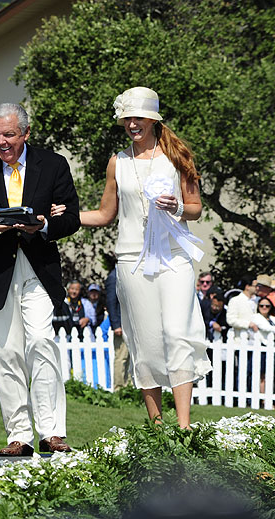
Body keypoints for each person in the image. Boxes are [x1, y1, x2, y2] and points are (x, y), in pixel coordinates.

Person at [0, 102, 80, 456]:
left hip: (39, 268)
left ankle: (52, 432)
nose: (2, 142)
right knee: (6, 354)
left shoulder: (53, 165)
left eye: (9, 134)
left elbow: (72, 217)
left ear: (25, 133)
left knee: (40, 343)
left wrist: (45, 225)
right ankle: (19, 436)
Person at [79, 87, 210, 430]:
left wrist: (177, 207)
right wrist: (63, 217)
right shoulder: (117, 162)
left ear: (153, 120)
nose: (132, 124)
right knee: (145, 340)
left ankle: (183, 427)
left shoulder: (178, 156)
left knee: (176, 332)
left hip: (175, 256)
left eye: (138, 117)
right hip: (132, 259)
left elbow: (195, 208)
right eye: (127, 118)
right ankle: (157, 426)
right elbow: (106, 214)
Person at [106, 265, 132, 390]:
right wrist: (116, 324)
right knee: (121, 357)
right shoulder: (113, 276)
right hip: (121, 325)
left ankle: (131, 387)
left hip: (132, 324)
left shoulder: (128, 273)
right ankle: (119, 388)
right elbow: (111, 302)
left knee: (132, 358)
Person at [227, 276, 258, 342]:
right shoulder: (235, 300)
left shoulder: (257, 301)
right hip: (240, 340)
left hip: (256, 340)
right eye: (255, 286)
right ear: (247, 287)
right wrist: (248, 324)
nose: (257, 288)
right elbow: (230, 320)